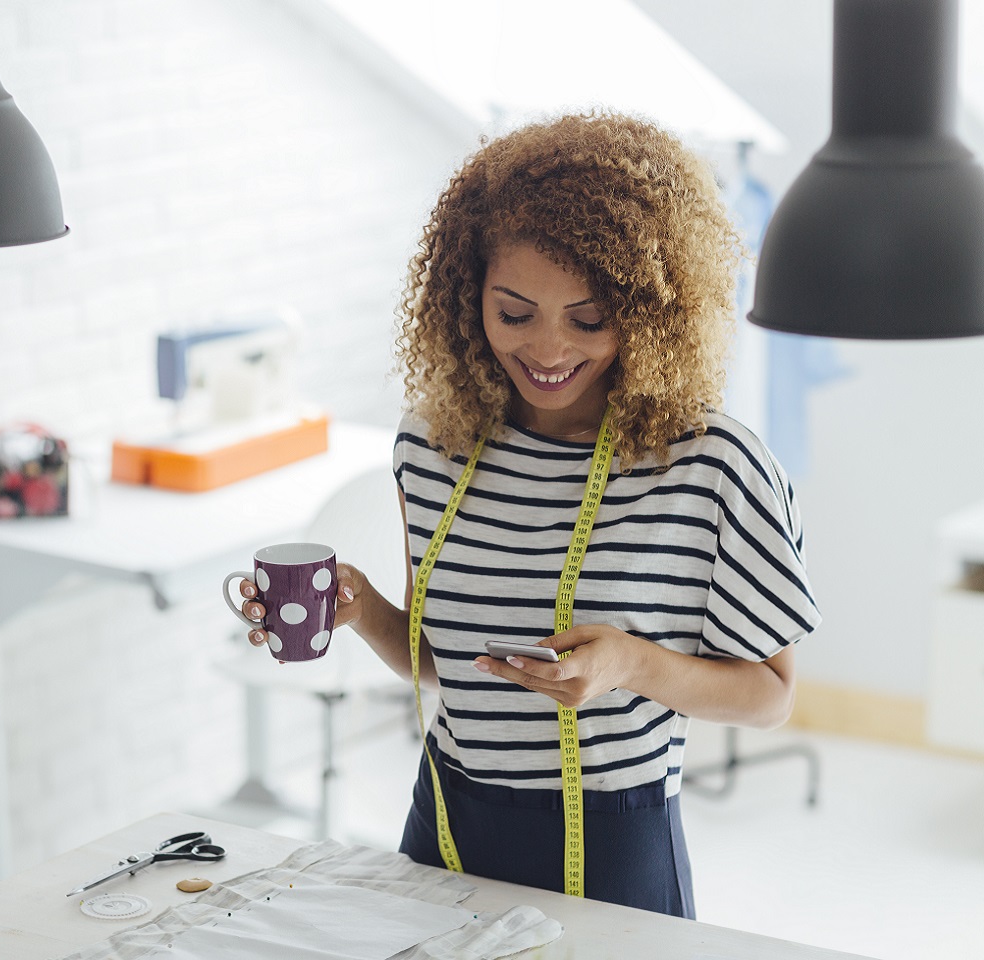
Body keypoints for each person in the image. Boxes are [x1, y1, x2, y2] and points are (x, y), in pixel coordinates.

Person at [237, 111, 821, 918]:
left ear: (652, 310)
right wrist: (362, 608)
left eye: (587, 320)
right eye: (514, 313)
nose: (547, 351)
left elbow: (770, 696)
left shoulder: (712, 466)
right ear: (464, 293)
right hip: (443, 823)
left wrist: (630, 665)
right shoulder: (434, 447)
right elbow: (445, 669)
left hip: (615, 841)